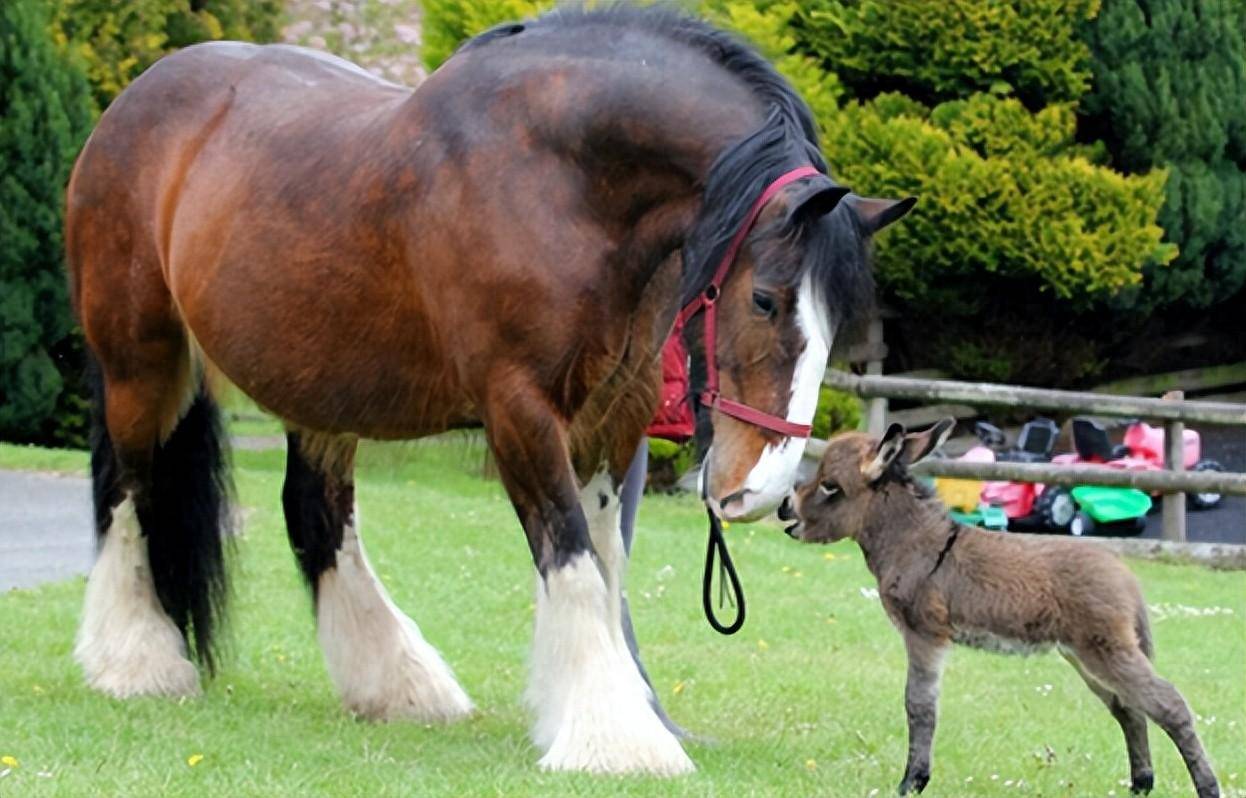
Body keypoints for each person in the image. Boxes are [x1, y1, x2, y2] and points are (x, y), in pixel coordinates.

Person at [618, 328, 695, 736]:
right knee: (602, 561)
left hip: (633, 390)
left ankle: (635, 698)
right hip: (615, 383)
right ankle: (635, 701)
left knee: (611, 562)